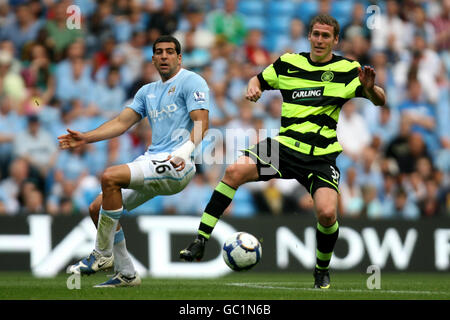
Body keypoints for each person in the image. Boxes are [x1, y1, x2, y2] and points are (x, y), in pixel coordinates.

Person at [180, 14, 385, 289]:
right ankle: (200, 240)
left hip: (320, 156)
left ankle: (321, 270)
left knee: (326, 214)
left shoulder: (348, 69)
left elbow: (380, 100)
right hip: (284, 148)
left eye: (326, 36)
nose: (320, 40)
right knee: (233, 170)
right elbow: (259, 79)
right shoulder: (288, 63)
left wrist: (371, 90)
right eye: (316, 34)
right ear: (309, 36)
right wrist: (254, 86)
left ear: (335, 40)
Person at [59, 35, 210, 287]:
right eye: (159, 52)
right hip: (153, 161)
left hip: (177, 164)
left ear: (179, 57)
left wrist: (184, 152)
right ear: (152, 59)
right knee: (98, 208)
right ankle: (127, 273)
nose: (164, 56)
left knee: (110, 177)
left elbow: (202, 122)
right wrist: (86, 137)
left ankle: (102, 255)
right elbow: (120, 123)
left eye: (170, 52)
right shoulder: (146, 91)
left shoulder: (191, 81)